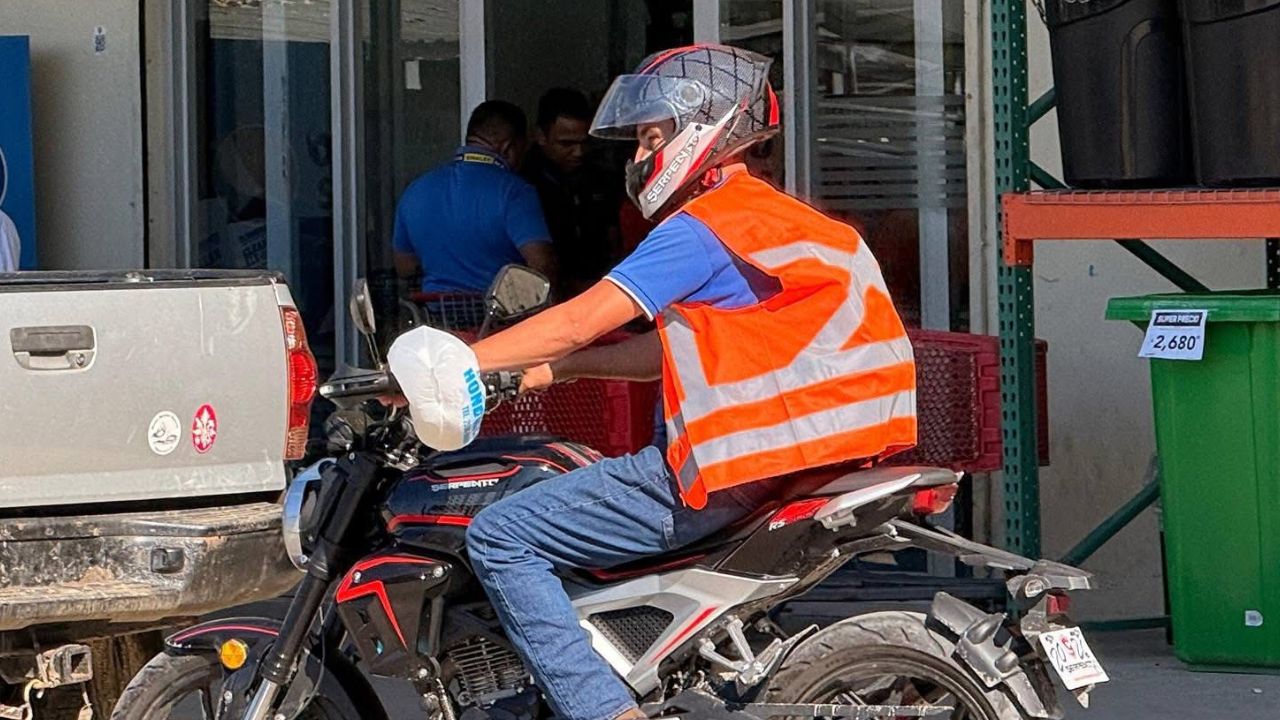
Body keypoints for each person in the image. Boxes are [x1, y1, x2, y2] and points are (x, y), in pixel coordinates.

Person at [462, 45, 918, 720]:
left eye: (651, 136)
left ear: (701, 131)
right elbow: (662, 353)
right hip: (810, 455)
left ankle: (602, 710)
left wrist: (465, 362)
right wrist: (552, 371)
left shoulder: (707, 226)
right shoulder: (776, 220)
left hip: (731, 468)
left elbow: (584, 317)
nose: (638, 155)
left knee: (500, 535)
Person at [393, 100, 556, 299]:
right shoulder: (515, 192)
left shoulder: (415, 190)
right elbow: (542, 265)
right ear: (508, 148)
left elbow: (405, 267)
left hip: (435, 318)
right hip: (500, 322)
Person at [523, 88, 625, 298]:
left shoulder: (600, 177)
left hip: (603, 290)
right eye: (566, 144)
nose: (578, 152)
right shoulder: (521, 184)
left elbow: (613, 237)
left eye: (585, 142)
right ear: (541, 136)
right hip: (544, 297)